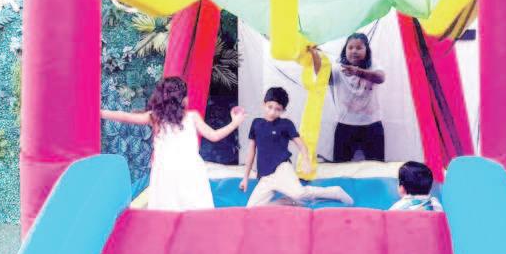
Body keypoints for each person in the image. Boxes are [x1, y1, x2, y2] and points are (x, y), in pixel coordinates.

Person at [101, 76, 245, 211]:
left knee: (166, 213)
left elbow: (125, 116)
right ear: (182, 100)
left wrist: (100, 112)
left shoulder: (156, 118)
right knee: (195, 211)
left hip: (166, 172)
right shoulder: (191, 117)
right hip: (190, 170)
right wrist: (235, 123)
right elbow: (214, 136)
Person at [240, 87, 354, 207]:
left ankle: (335, 192)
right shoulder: (256, 124)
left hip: (282, 169)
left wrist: (306, 161)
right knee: (251, 209)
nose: (272, 112)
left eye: (278, 109)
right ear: (264, 104)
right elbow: (251, 152)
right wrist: (245, 178)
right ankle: (287, 202)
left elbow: (301, 145)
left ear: (283, 110)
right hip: (265, 176)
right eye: (270, 107)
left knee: (299, 193)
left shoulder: (285, 124)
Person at [311, 33, 385, 162]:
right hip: (345, 126)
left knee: (377, 167)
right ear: (345, 50)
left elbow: (381, 78)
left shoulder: (373, 65)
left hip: (372, 125)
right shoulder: (338, 68)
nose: (354, 51)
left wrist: (357, 71)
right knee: (341, 168)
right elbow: (322, 77)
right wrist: (314, 54)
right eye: (350, 48)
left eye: (359, 48)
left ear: (366, 50)